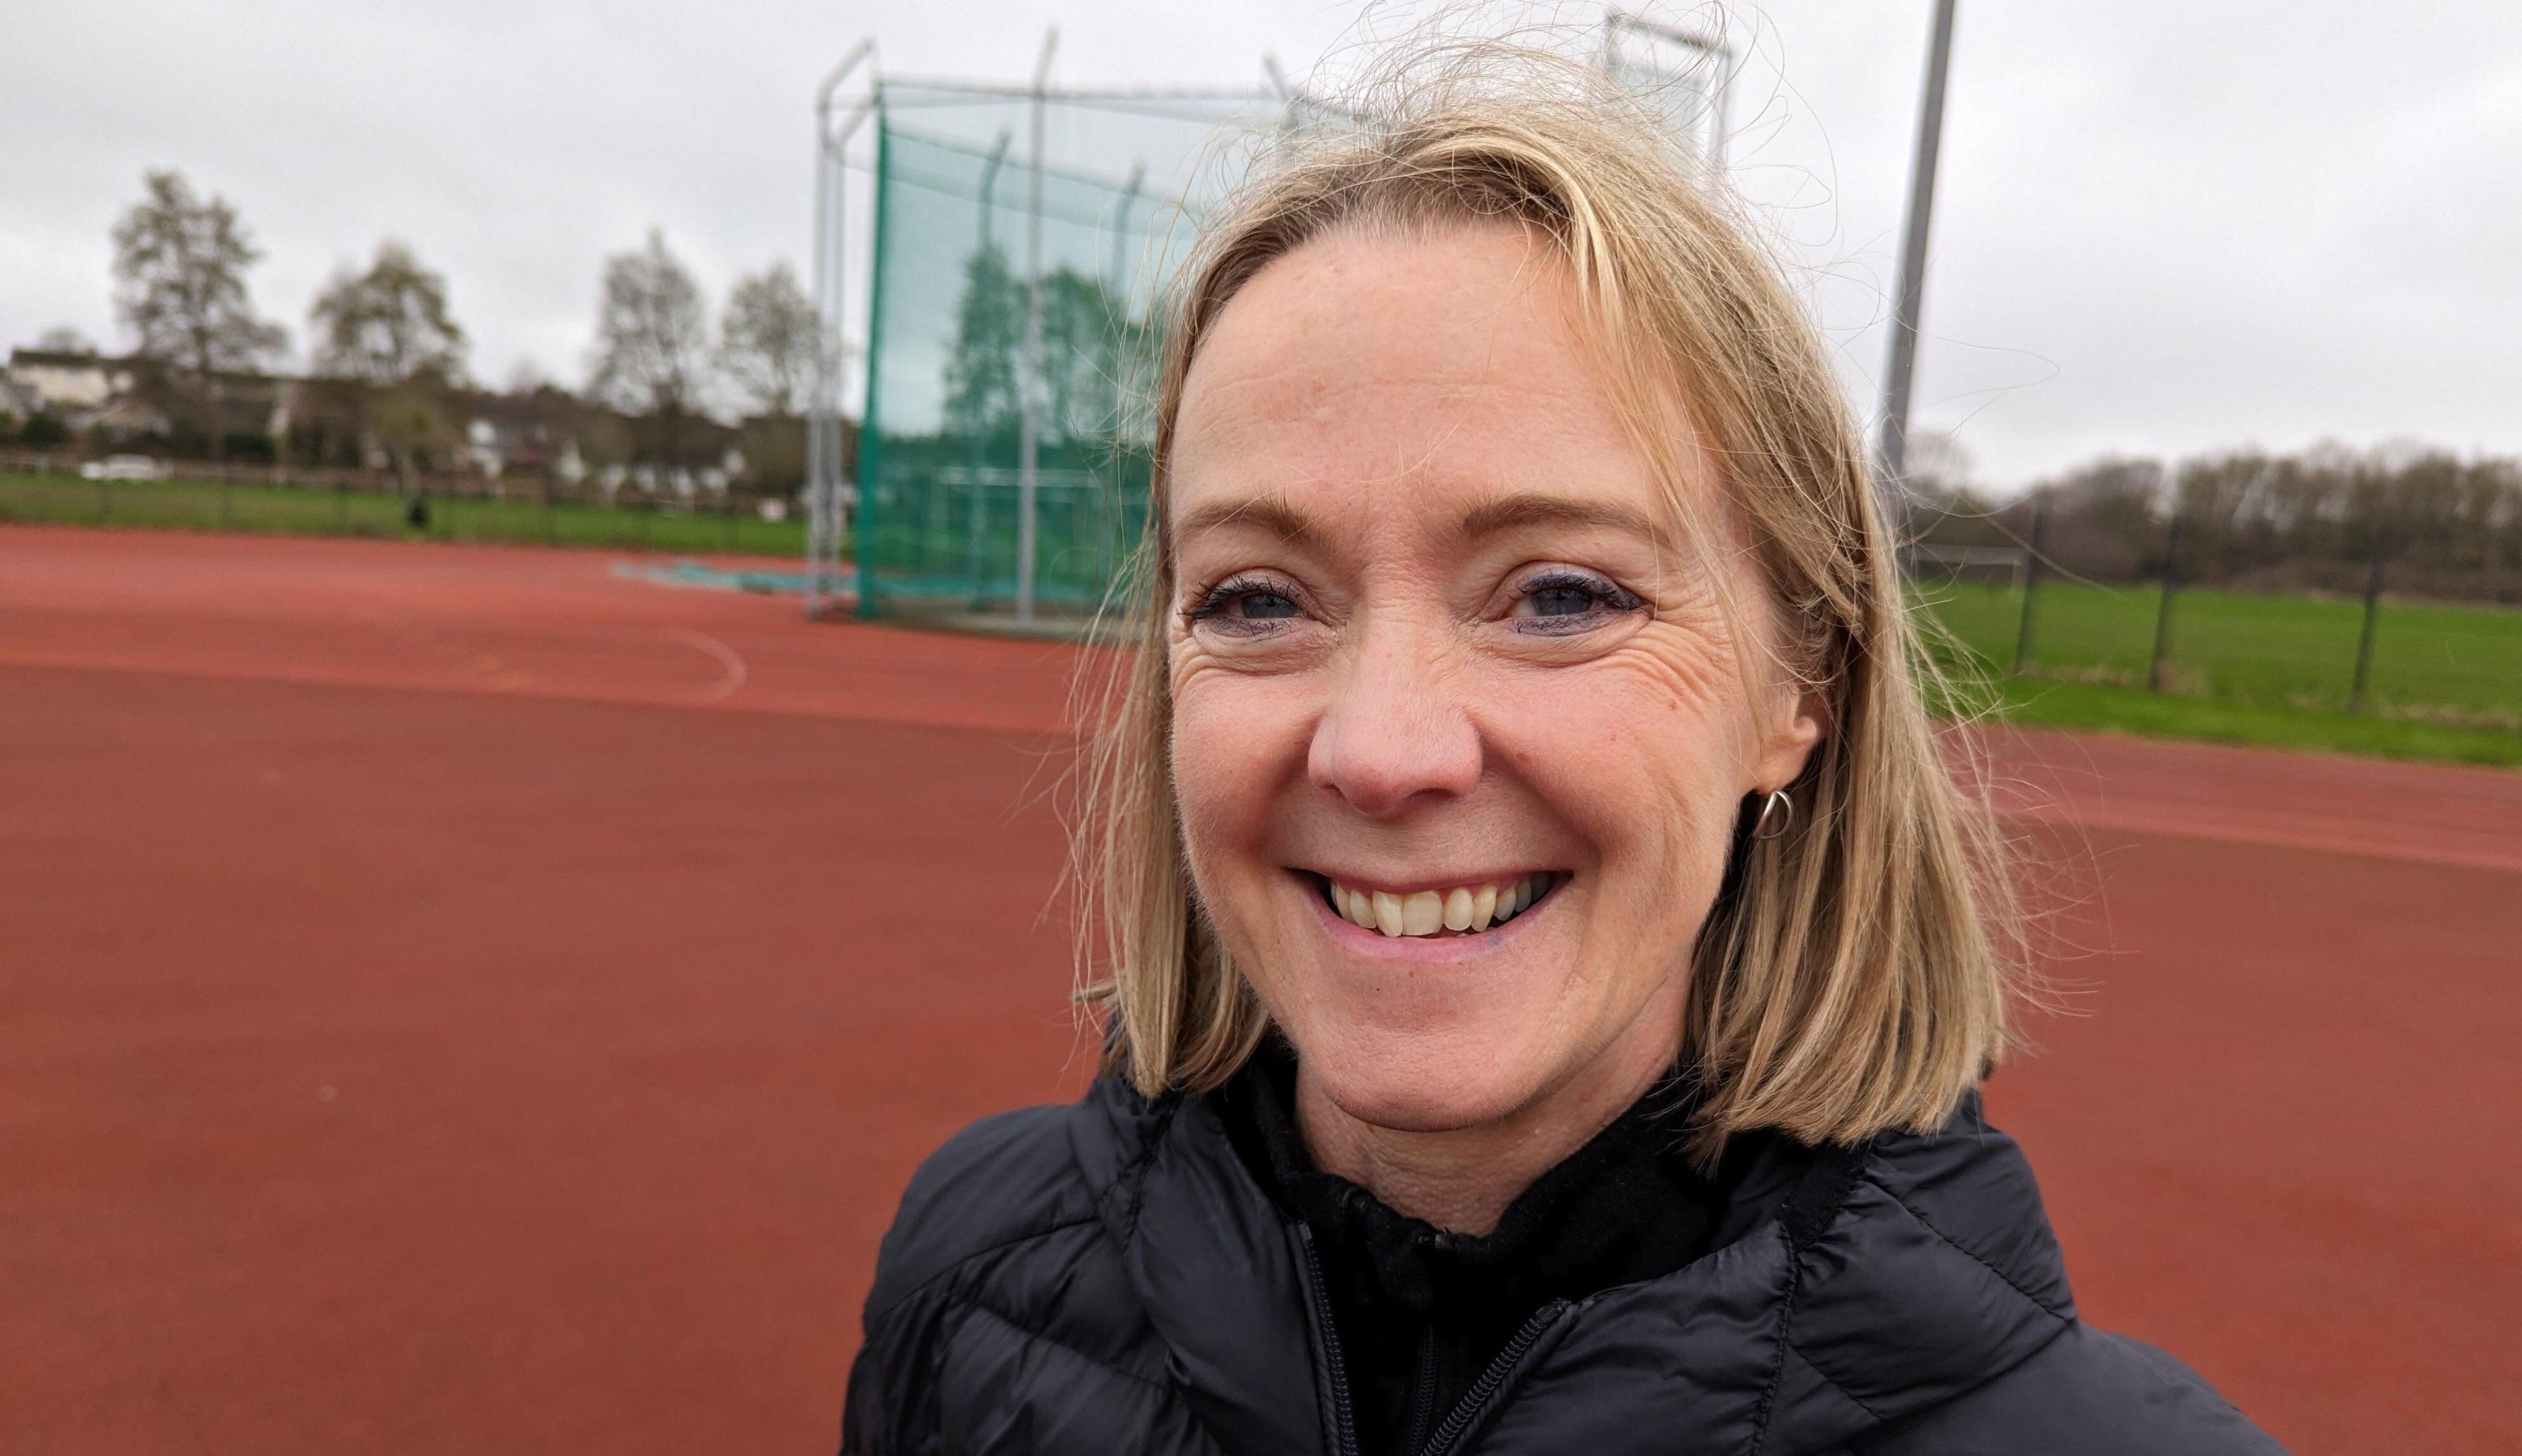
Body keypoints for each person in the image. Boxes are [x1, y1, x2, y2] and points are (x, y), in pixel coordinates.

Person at [842, 51, 2283, 1456]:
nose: (1382, 750)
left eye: (1563, 596)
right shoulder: (975, 1273)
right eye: (1257, 599)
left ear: (1801, 686)